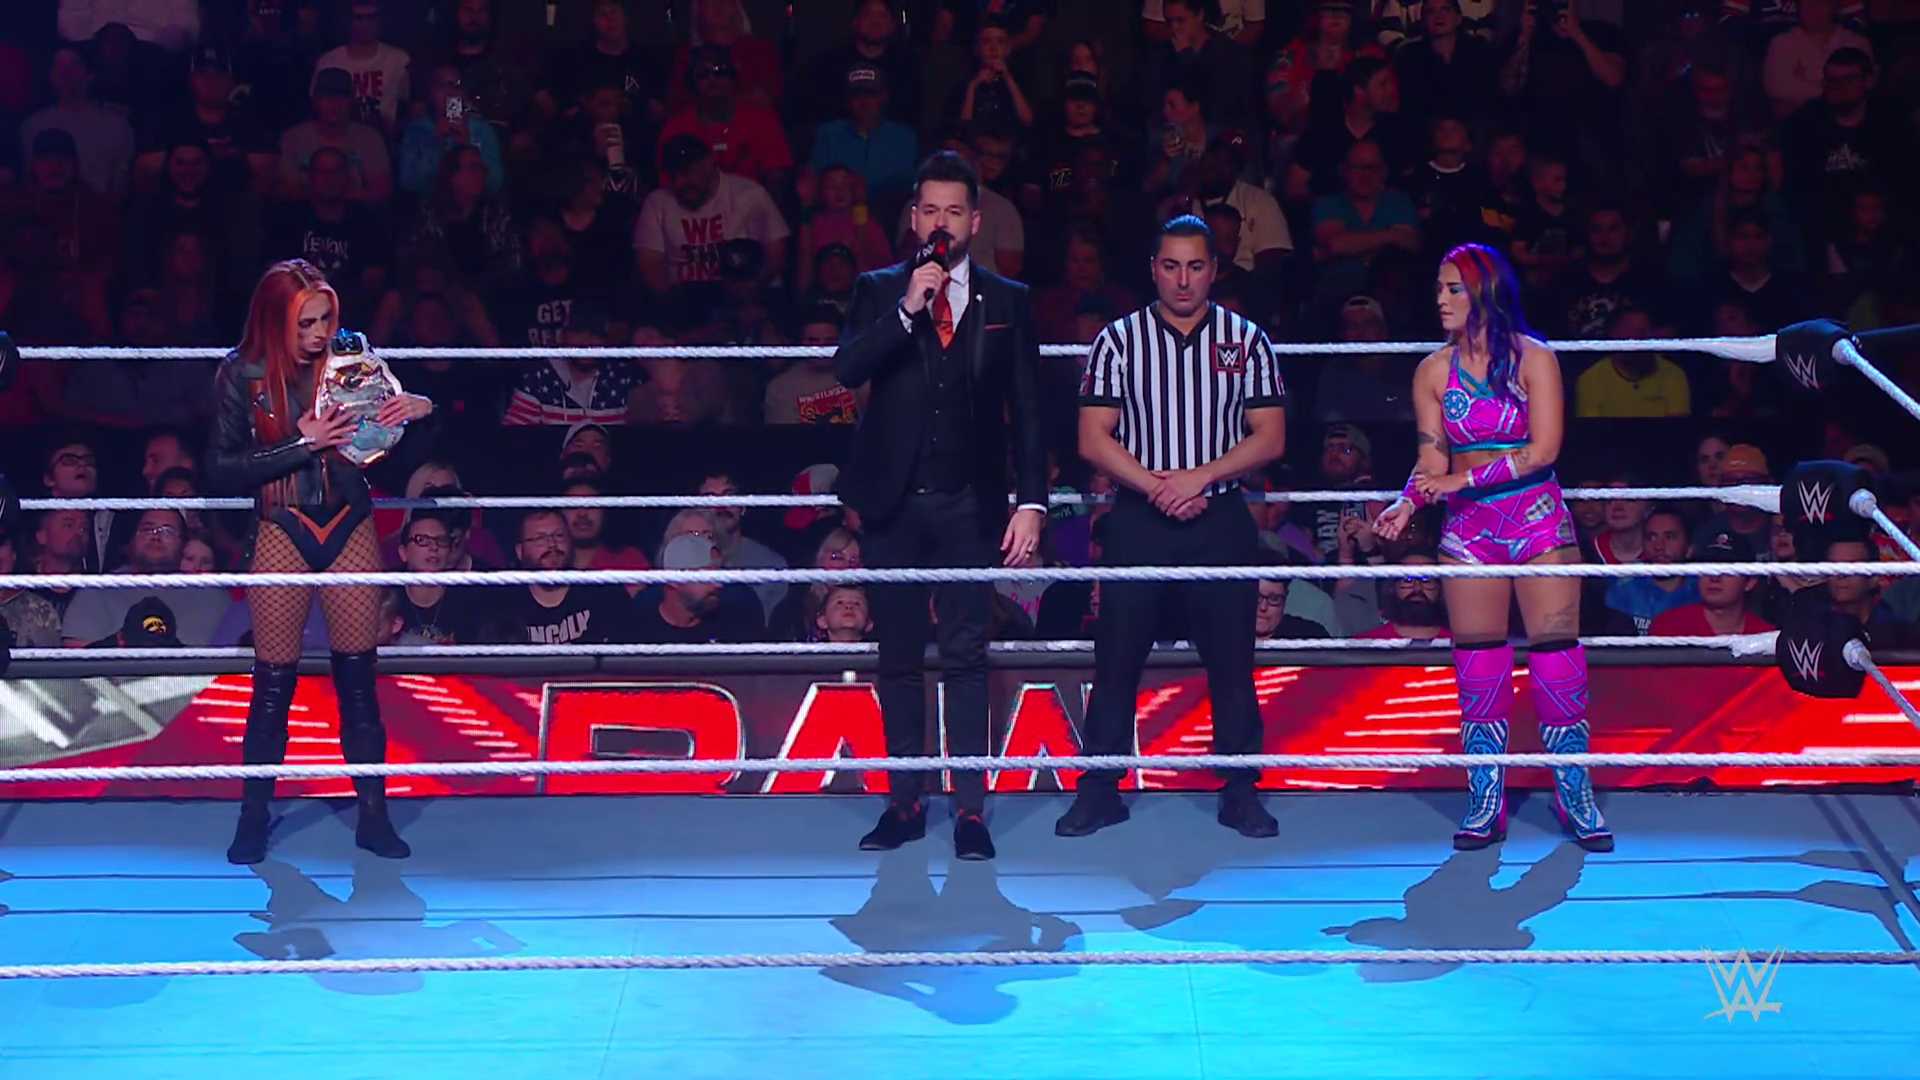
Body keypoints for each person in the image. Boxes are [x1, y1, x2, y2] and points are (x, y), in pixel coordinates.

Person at [831, 151, 1048, 862]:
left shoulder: (1008, 300)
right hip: (893, 504)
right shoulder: (878, 290)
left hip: (969, 503)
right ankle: (904, 802)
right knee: (897, 656)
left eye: (955, 211)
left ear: (975, 221)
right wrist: (906, 310)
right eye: (930, 210)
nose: (941, 223)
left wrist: (1032, 502)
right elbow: (848, 368)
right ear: (914, 218)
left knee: (965, 656)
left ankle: (971, 812)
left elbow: (1029, 408)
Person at [1373, 243, 1612, 853]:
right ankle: (1486, 797)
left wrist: (1462, 480)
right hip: (1469, 530)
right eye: (1438, 288)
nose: (1441, 299)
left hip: (1536, 520)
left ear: (1484, 292)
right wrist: (1408, 502)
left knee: (1556, 655)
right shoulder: (1433, 371)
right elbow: (1432, 461)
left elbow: (1544, 449)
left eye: (1453, 288)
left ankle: (1574, 790)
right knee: (1478, 660)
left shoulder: (1536, 358)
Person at [1058, 214, 1289, 841]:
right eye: (1170, 266)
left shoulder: (1246, 339)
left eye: (1194, 266)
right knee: (1116, 657)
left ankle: (1240, 790)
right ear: (1153, 270)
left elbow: (1270, 435)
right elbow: (1092, 438)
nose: (1183, 280)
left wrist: (1200, 477)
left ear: (1213, 270)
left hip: (1220, 515)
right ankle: (1099, 790)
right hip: (1139, 517)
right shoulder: (1118, 340)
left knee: (1232, 658)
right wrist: (1158, 485)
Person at [205, 260, 435, 866]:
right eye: (306, 322)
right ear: (275, 318)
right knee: (272, 682)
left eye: (326, 318)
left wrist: (418, 409)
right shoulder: (241, 372)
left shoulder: (353, 359)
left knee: (358, 678)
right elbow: (221, 468)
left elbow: (387, 438)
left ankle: (374, 816)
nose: (319, 333)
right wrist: (301, 443)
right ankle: (253, 818)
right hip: (281, 524)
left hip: (349, 521)